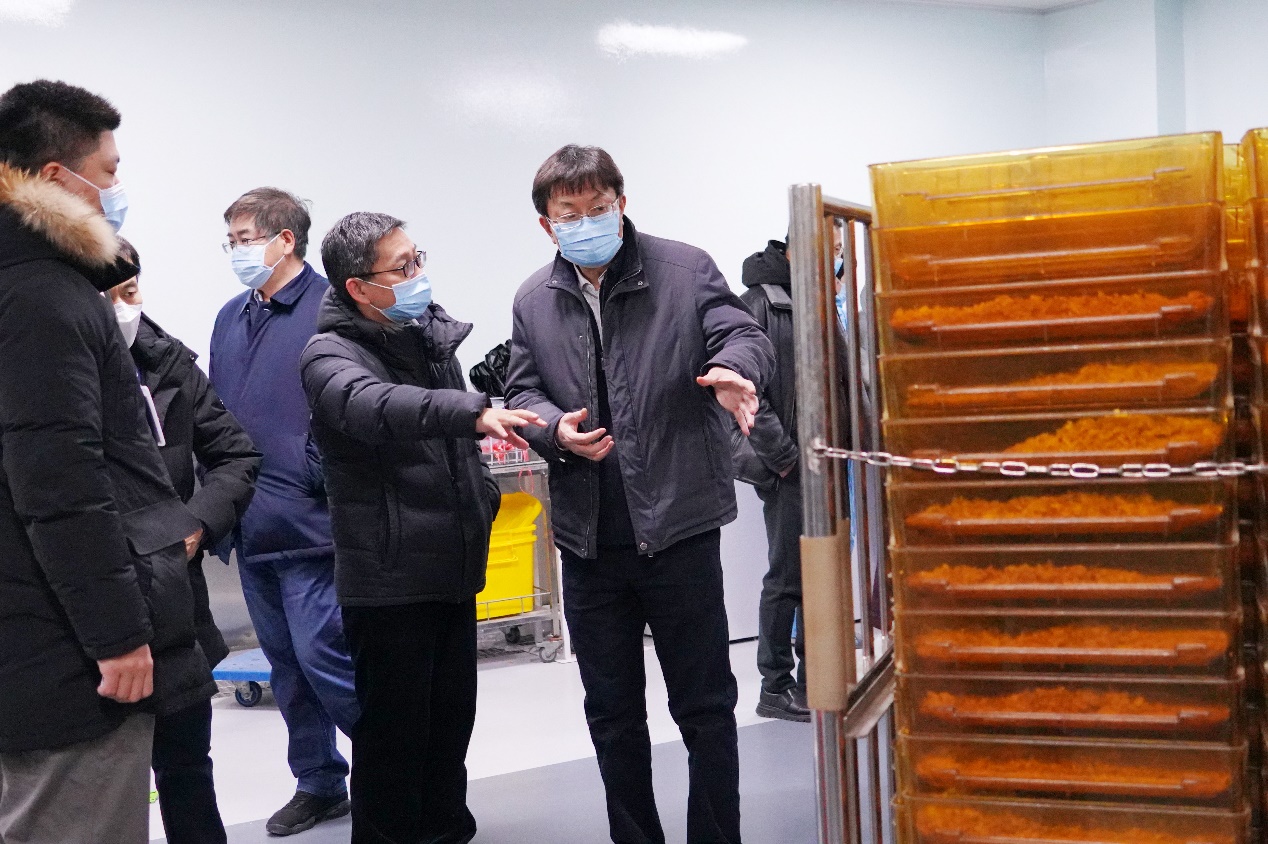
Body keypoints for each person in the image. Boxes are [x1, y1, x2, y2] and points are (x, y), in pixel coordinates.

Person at [505, 144, 774, 844]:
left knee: (705, 706)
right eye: (570, 213)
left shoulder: (684, 270)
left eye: (599, 208)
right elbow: (522, 390)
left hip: (679, 526)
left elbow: (741, 333)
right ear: (547, 225)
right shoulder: (534, 299)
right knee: (613, 714)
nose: (587, 222)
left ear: (622, 205)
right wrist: (552, 431)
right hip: (589, 540)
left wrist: (733, 368)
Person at [0, 79, 215, 844]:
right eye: (110, 169)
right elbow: (61, 487)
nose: (117, 188)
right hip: (65, 658)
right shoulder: (42, 299)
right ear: (58, 177)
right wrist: (117, 636)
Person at [301, 212, 545, 844]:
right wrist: (473, 411)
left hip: (452, 567)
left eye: (418, 259)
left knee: (448, 731)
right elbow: (374, 406)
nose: (417, 275)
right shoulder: (329, 354)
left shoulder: (429, 341)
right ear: (359, 287)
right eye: (402, 267)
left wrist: (481, 496)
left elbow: (459, 444)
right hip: (389, 581)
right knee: (393, 743)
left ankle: (446, 833)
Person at [209, 187, 359, 836]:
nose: (236, 251)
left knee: (326, 657)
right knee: (287, 668)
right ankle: (319, 782)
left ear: (285, 240)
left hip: (311, 524)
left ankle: (400, 771)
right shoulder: (230, 318)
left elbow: (351, 408)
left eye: (245, 239)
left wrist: (311, 474)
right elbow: (216, 414)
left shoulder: (332, 309)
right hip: (250, 524)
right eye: (231, 241)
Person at [107, 240, 263, 844]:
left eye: (132, 291)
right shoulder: (42, 374)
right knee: (102, 791)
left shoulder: (166, 361)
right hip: (90, 612)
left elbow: (235, 454)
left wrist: (196, 523)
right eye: (112, 297)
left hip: (174, 603)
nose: (128, 307)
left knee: (187, 772)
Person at [733, 238, 808, 722]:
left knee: (817, 574)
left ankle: (815, 678)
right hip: (791, 465)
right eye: (830, 246)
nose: (836, 259)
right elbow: (746, 391)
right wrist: (784, 458)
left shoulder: (809, 298)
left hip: (822, 461)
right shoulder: (760, 303)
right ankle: (775, 685)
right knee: (787, 576)